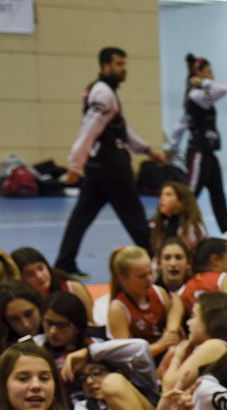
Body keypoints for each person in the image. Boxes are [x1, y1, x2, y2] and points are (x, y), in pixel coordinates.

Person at [54, 47, 164, 279]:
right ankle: (158, 265)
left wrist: (146, 150)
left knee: (80, 217)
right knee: (135, 218)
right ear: (105, 66)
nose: (123, 69)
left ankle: (64, 263)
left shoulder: (104, 92)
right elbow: (88, 131)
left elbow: (122, 129)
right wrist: (75, 166)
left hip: (99, 169)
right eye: (118, 64)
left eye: (124, 64)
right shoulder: (103, 94)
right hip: (112, 169)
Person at [169, 54, 227, 232]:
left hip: (210, 154)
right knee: (190, 194)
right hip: (198, 153)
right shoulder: (196, 95)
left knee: (218, 197)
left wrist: (173, 147)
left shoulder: (201, 95)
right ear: (199, 74)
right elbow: (223, 89)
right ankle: (171, 229)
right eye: (209, 71)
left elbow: (181, 124)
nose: (212, 75)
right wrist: (172, 148)